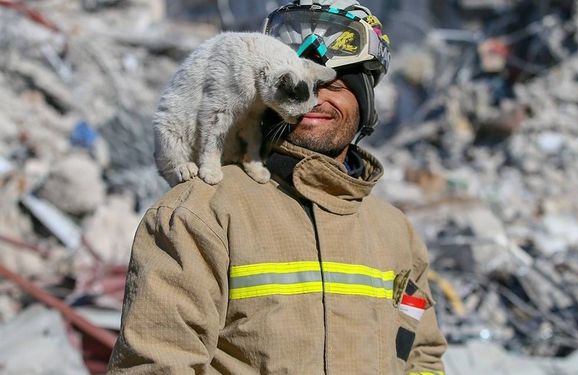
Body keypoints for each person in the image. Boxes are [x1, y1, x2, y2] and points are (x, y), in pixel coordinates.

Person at [108, 0, 447, 373]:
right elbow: (158, 363)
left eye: (334, 86)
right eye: (306, 86)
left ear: (364, 104)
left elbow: (421, 352)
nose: (316, 100)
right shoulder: (200, 214)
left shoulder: (395, 231)